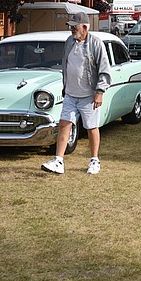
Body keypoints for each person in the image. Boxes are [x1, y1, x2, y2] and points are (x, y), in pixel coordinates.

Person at [42, 13, 111, 175]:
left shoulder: (96, 44)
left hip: (89, 96)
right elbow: (66, 66)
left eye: (75, 27)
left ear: (85, 27)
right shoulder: (69, 42)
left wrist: (100, 91)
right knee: (64, 124)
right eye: (71, 27)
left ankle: (94, 160)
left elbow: (104, 71)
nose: (72, 30)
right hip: (71, 95)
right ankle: (58, 160)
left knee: (91, 127)